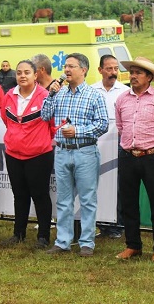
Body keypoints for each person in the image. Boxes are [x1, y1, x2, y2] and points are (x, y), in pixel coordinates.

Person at [41, 53, 109, 257]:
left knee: (87, 199)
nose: (66, 70)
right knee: (63, 199)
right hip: (62, 151)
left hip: (85, 151)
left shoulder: (94, 94)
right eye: (65, 66)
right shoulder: (59, 93)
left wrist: (77, 131)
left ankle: (87, 242)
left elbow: (103, 124)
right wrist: (50, 94)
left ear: (84, 70)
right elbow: (44, 116)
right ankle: (63, 241)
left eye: (71, 66)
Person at [115, 57, 154, 262]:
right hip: (127, 156)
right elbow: (121, 127)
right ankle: (133, 245)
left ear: (149, 77)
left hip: (152, 157)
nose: (133, 76)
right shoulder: (122, 99)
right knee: (128, 203)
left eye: (138, 73)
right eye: (132, 72)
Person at [0, 60, 55, 249]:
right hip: (14, 154)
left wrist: (37, 141)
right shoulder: (9, 95)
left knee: (40, 196)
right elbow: (7, 119)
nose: (22, 76)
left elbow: (52, 125)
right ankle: (18, 233)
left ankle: (43, 237)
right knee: (19, 195)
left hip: (39, 155)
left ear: (35, 75)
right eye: (19, 73)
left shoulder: (45, 96)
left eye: (27, 72)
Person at [91, 54, 129, 239]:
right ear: (100, 70)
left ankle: (117, 225)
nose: (113, 72)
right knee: (98, 184)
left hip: (118, 146)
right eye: (109, 69)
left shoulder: (124, 91)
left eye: (116, 69)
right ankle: (102, 225)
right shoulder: (91, 91)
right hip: (94, 146)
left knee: (117, 186)